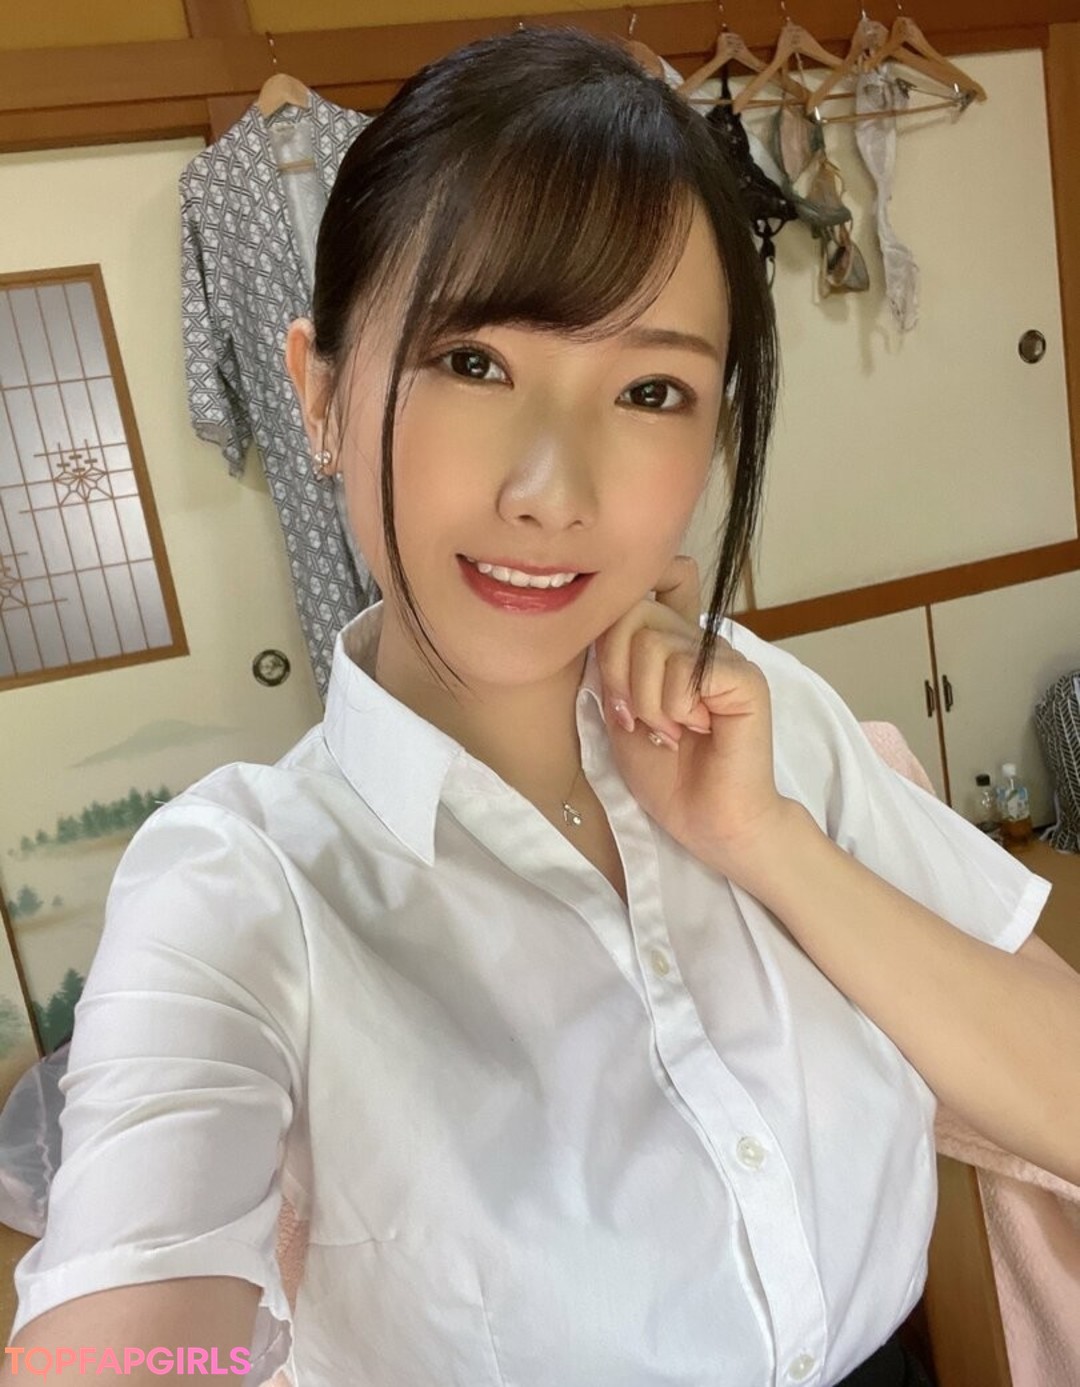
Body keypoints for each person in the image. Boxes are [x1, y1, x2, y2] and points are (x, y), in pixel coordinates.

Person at [5, 26, 1077, 1387]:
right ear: (320, 394)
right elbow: (128, 1346)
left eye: (651, 390)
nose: (552, 492)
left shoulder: (768, 720)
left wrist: (766, 843)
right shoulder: (239, 892)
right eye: (472, 362)